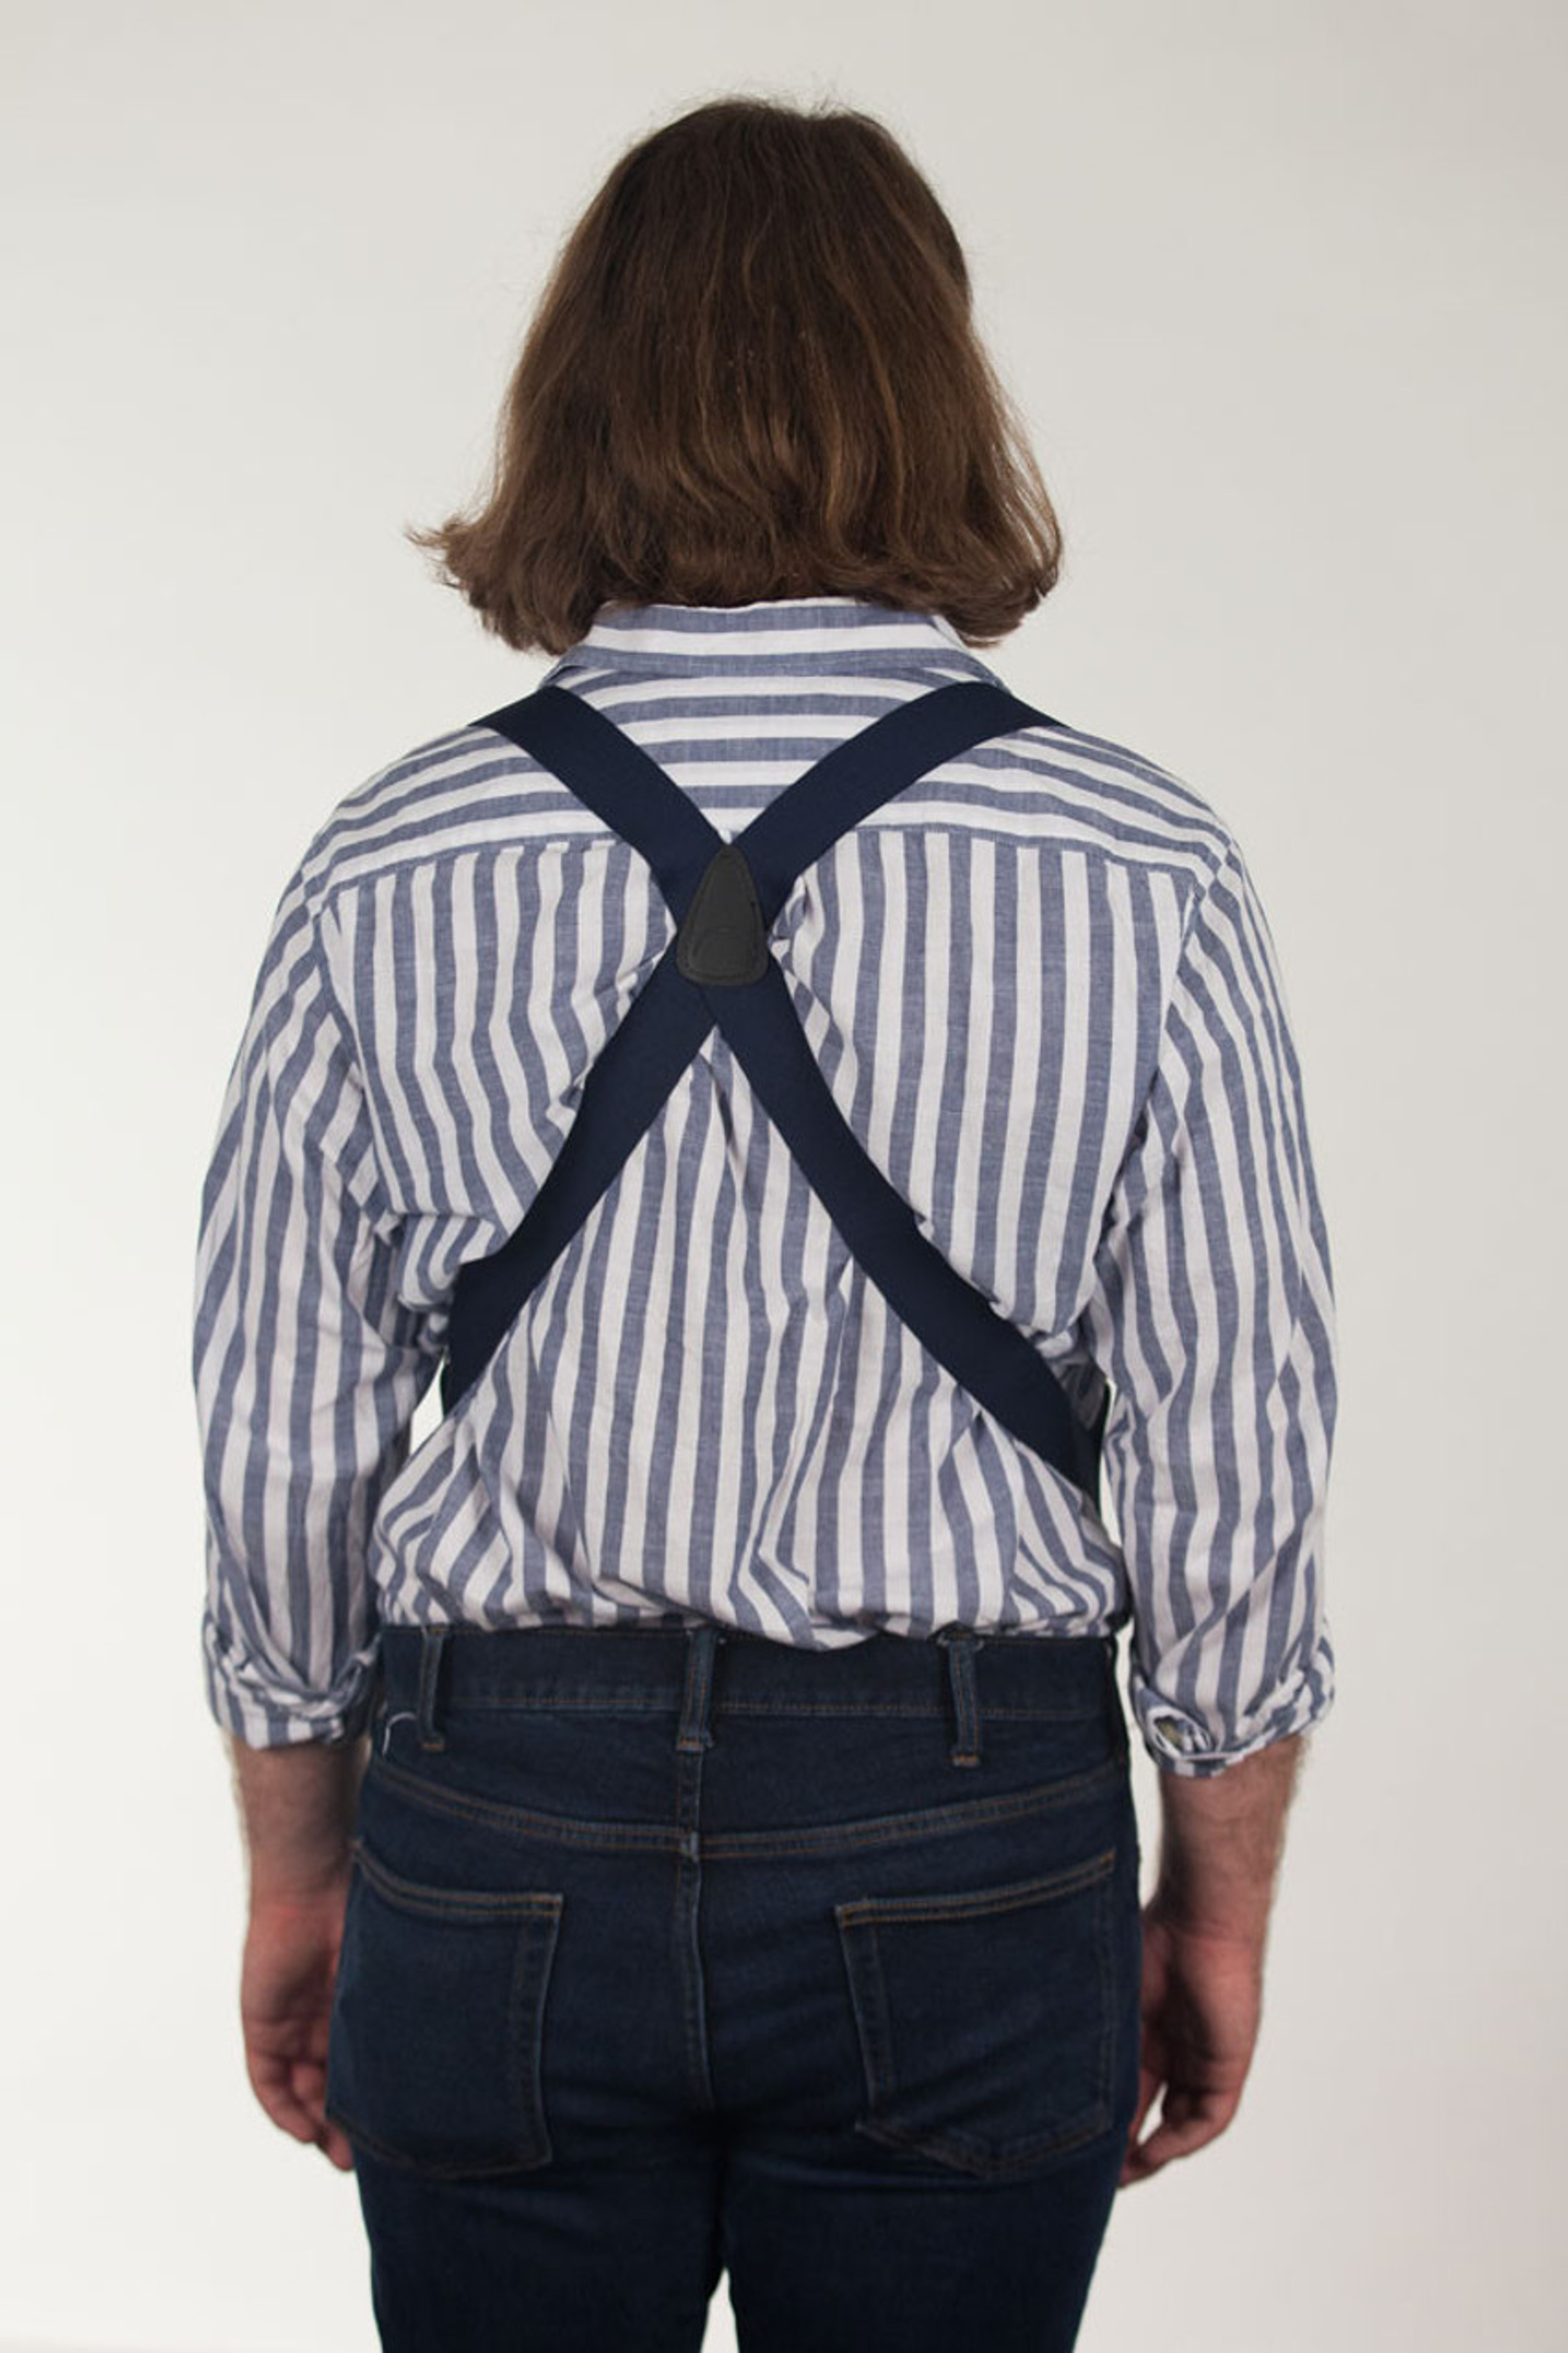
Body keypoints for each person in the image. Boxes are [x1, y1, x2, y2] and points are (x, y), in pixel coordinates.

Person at [191, 92, 1337, 2353]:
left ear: (575, 398)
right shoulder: (1141, 865)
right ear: (936, 393)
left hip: (494, 1836)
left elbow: (276, 1436)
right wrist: (1215, 1902)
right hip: (969, 1835)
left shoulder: (391, 861)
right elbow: (1240, 1452)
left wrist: (303, 1866)